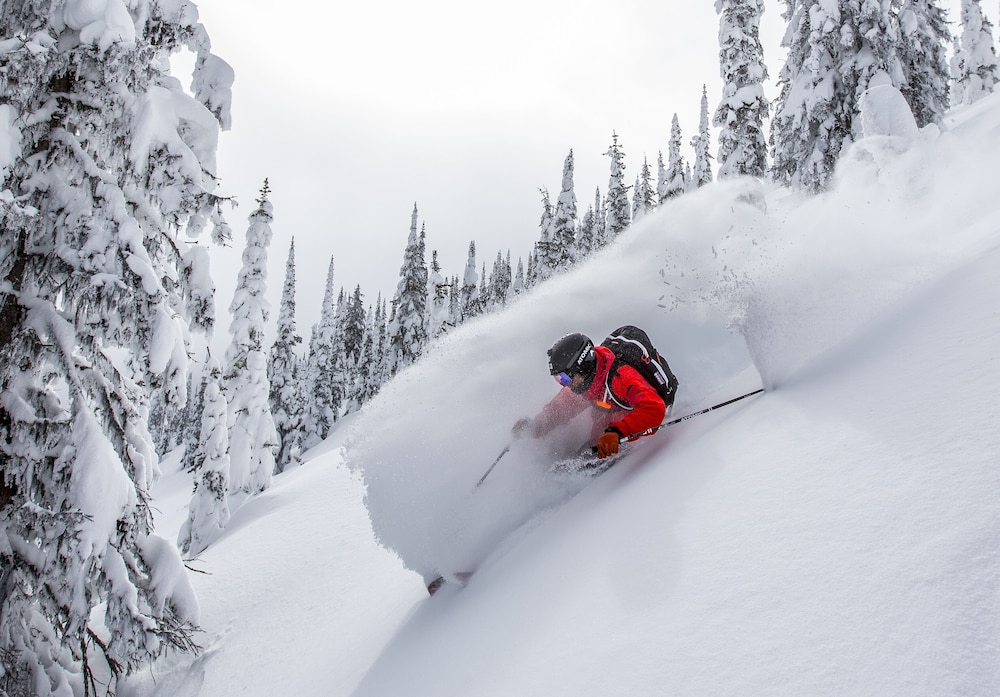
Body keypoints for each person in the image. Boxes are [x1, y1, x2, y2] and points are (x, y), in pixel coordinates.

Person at [513, 332, 668, 459]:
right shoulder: (583, 386)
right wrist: (533, 428)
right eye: (558, 379)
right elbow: (558, 410)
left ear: (583, 366)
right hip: (604, 440)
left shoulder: (621, 377)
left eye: (565, 378)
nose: (564, 384)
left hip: (626, 439)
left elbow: (654, 407)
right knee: (565, 469)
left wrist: (618, 433)